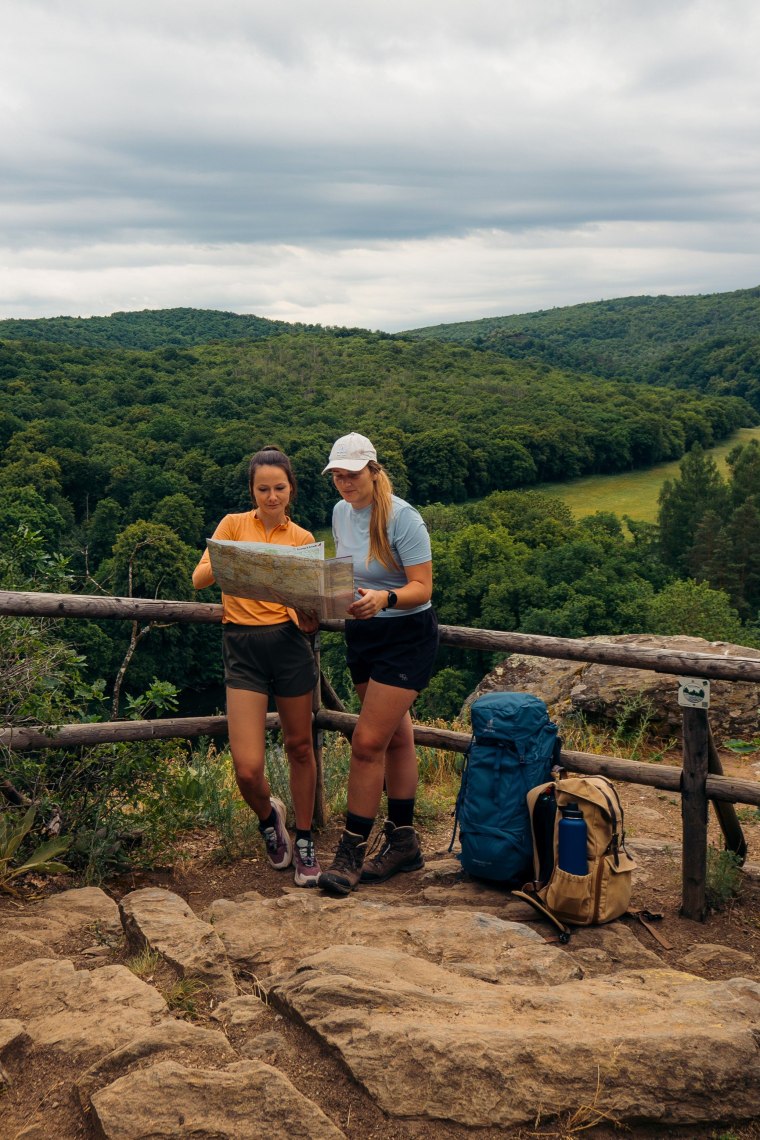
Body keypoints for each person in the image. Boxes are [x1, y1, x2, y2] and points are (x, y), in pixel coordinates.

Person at [192, 446, 321, 887]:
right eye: (263, 489)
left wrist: (309, 615)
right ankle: (270, 820)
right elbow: (199, 578)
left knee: (300, 746)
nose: (271, 496)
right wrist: (235, 559)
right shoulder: (232, 525)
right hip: (241, 645)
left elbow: (310, 614)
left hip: (287, 646)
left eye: (279, 488)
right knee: (247, 767)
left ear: (291, 489)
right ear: (252, 490)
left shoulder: (302, 539)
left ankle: (304, 839)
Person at [318, 432, 438, 896]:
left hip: (406, 635)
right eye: (337, 475)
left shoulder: (403, 517)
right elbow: (348, 574)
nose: (344, 483)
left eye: (352, 473)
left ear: (373, 469)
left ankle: (350, 850)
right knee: (396, 736)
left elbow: (422, 587)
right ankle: (404, 841)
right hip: (363, 632)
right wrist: (325, 596)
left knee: (367, 743)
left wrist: (385, 598)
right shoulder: (340, 513)